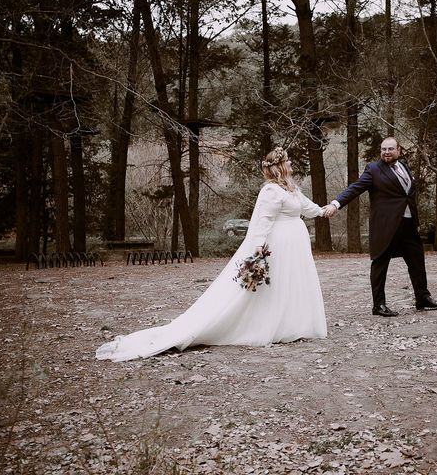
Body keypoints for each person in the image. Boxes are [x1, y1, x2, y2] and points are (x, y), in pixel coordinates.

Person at [97, 147, 327, 362]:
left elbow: (307, 207)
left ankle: (293, 324)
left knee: (292, 284)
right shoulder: (271, 191)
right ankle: (269, 325)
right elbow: (263, 221)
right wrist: (258, 247)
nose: (291, 163)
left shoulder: (291, 188)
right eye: (288, 161)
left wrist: (327, 209)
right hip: (279, 245)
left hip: (295, 247)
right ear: (279, 166)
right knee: (275, 286)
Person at [323, 137, 437, 317]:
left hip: (408, 224)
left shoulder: (404, 166)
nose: (386, 152)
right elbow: (355, 188)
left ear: (399, 150)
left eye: (390, 149)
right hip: (385, 226)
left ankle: (423, 297)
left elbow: (407, 195)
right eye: (383, 149)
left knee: (417, 262)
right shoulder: (373, 169)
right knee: (380, 264)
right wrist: (335, 204)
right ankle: (378, 305)